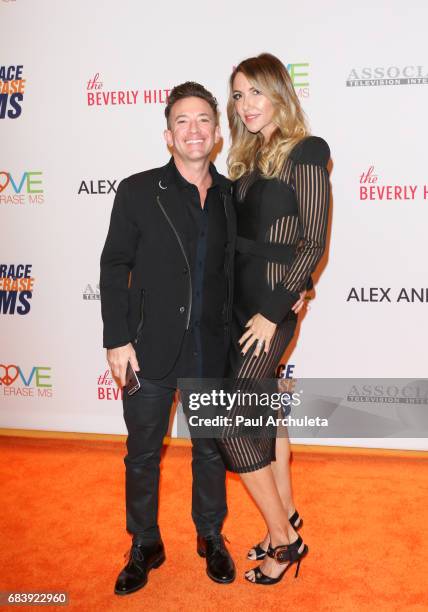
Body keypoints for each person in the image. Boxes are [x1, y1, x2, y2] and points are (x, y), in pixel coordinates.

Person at [100, 82, 237, 595]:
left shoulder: (230, 196)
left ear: (218, 133)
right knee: (142, 453)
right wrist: (117, 339)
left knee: (209, 450)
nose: (194, 129)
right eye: (183, 121)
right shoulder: (137, 192)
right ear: (167, 134)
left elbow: (244, 264)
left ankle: (210, 535)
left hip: (211, 348)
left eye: (203, 119)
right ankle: (145, 542)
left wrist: (293, 289)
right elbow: (114, 267)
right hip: (147, 346)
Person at [217, 53, 331, 585]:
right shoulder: (247, 157)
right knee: (262, 416)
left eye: (255, 93)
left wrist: (276, 307)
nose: (246, 105)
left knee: (231, 424)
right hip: (240, 308)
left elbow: (311, 240)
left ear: (280, 93)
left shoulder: (306, 151)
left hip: (269, 311)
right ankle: (285, 516)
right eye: (238, 96)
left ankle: (284, 541)